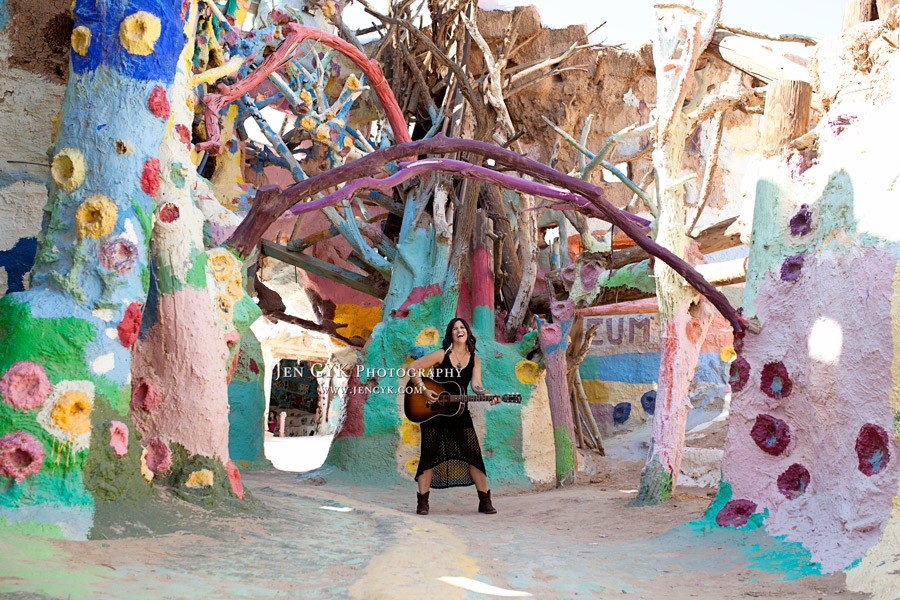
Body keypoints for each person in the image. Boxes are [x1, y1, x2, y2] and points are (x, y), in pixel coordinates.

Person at [406, 317, 499, 515]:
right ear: (451, 335)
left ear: (467, 333)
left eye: (462, 327)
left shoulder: (474, 359)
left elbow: (476, 385)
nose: (459, 330)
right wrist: (423, 390)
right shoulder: (441, 354)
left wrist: (487, 395)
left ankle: (484, 501)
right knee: (429, 455)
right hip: (433, 412)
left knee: (474, 454)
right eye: (455, 328)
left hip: (459, 413)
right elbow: (412, 369)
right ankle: (423, 502)